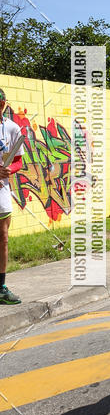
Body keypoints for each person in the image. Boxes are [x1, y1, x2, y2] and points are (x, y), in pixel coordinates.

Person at [0, 89, 24, 304]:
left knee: (3, 238)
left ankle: (1, 287)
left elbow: (18, 160)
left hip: (2, 192)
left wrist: (10, 170)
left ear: (4, 104)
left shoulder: (11, 128)